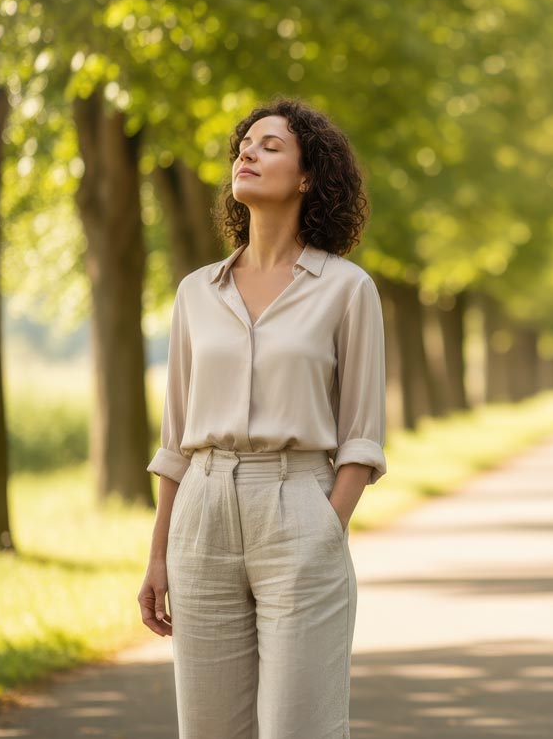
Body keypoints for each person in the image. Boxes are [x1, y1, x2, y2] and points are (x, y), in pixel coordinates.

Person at [136, 97, 387, 738]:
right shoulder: (197, 292)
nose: (248, 152)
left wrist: (325, 527)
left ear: (308, 177)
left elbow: (361, 435)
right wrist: (158, 554)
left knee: (298, 729)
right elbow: (175, 439)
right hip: (201, 516)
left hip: (297, 507)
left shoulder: (346, 288)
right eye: (245, 143)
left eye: (270, 145)